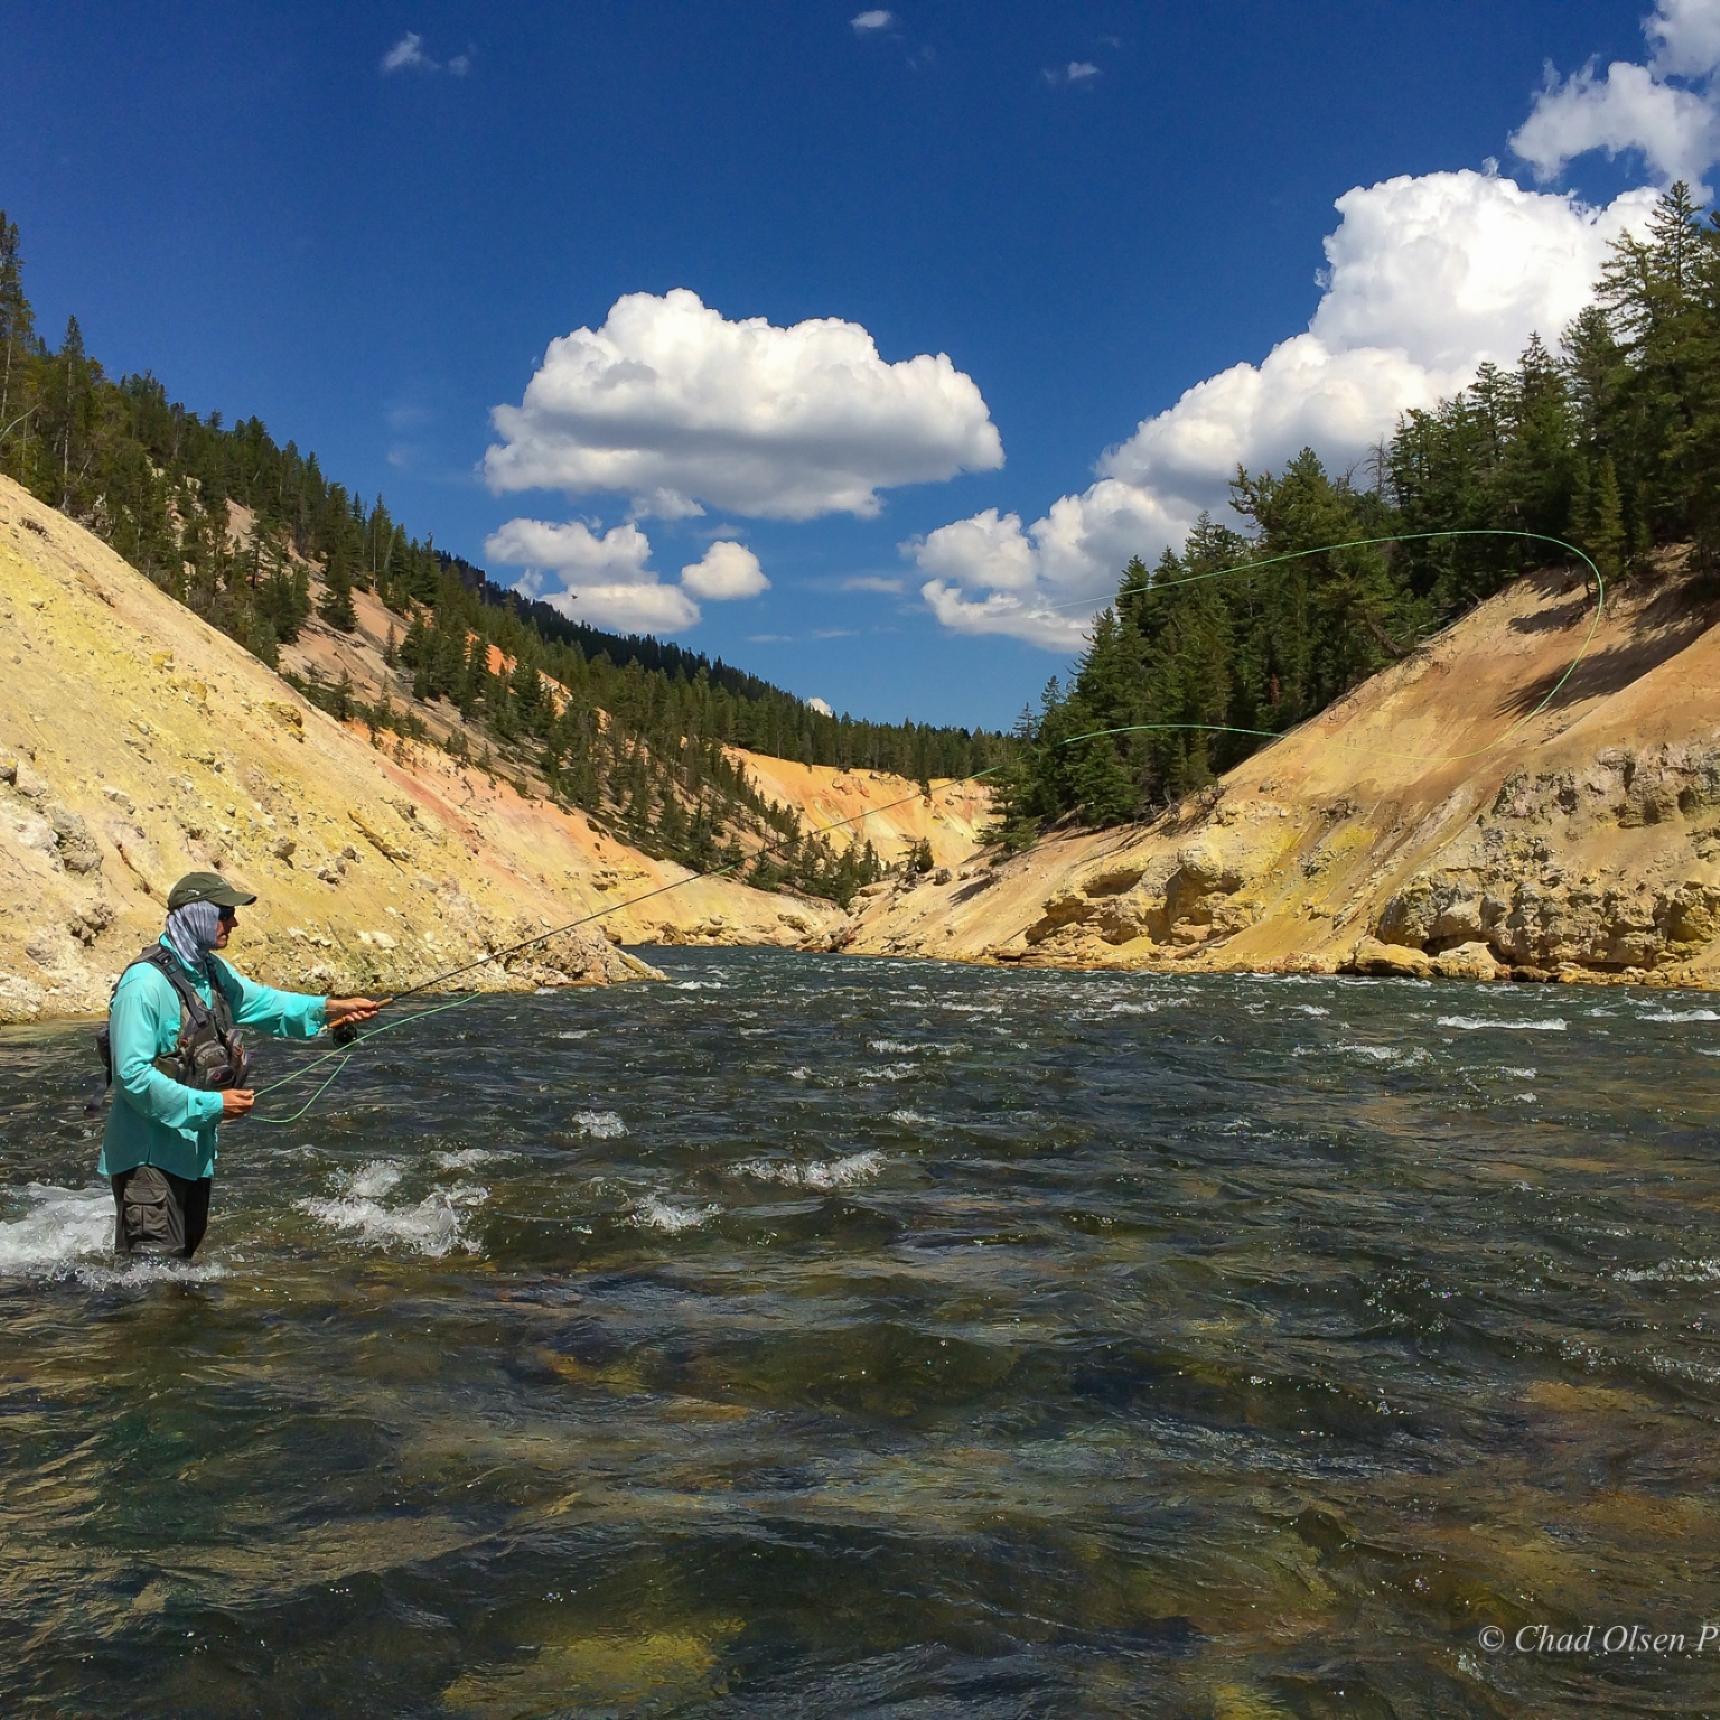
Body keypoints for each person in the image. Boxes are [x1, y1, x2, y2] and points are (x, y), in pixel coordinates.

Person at [98, 870, 386, 1260]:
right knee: (152, 1288)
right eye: (224, 912)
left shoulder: (208, 972)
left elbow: (263, 1003)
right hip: (146, 1161)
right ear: (196, 914)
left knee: (179, 1279)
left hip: (192, 1155)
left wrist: (329, 1009)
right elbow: (131, 1078)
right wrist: (214, 1106)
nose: (233, 921)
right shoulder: (144, 985)